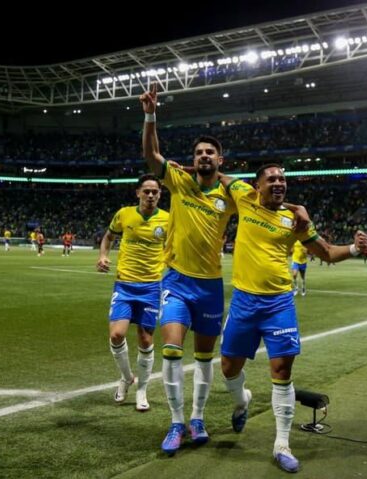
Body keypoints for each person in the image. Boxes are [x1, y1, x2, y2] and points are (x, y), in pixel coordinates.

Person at [217, 164, 367, 473]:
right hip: (244, 301)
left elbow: (326, 252)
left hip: (279, 304)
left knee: (282, 370)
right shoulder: (243, 196)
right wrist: (182, 166)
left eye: (282, 179)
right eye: (271, 179)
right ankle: (242, 400)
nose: (278, 183)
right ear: (257, 186)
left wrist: (355, 248)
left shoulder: (296, 220)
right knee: (229, 368)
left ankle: (282, 445)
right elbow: (214, 173)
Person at [140, 83, 237, 454]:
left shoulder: (229, 195)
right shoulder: (178, 181)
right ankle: (176, 422)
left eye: (210, 152)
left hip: (210, 285)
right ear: (192, 159)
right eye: (199, 153)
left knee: (204, 357)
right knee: (171, 350)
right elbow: (151, 154)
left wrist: (228, 179)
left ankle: (197, 417)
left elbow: (259, 197)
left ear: (220, 159)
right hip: (176, 281)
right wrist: (151, 114)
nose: (203, 156)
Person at [97, 174, 169, 412]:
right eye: (146, 191)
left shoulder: (168, 219)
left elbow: (173, 249)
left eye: (155, 192)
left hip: (151, 287)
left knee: (145, 339)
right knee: (116, 335)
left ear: (160, 194)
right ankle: (127, 377)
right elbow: (108, 237)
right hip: (125, 284)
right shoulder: (124, 214)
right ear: (138, 193)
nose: (150, 195)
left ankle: (142, 389)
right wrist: (103, 256)